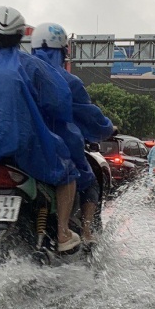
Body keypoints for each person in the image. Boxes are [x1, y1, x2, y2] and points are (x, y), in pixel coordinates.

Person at [0, 6, 81, 252]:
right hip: (28, 148)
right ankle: (64, 233)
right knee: (69, 173)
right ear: (19, 36)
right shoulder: (30, 66)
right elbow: (59, 100)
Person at [30, 21, 114, 244]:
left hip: (19, 148)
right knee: (89, 181)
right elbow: (91, 117)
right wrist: (108, 128)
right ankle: (79, 233)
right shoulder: (67, 81)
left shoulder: (19, 71)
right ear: (64, 51)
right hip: (58, 150)